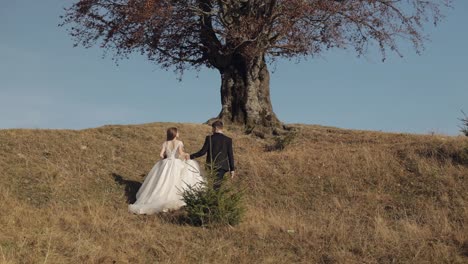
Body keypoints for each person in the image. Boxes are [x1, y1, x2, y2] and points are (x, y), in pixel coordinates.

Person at [128, 127, 203, 214]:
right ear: (175, 133)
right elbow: (181, 153)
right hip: (176, 163)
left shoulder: (165, 143)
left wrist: (166, 158)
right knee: (175, 180)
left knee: (163, 180)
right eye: (178, 132)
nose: (179, 133)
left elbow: (161, 154)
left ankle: (157, 197)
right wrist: (187, 155)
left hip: (166, 163)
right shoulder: (179, 142)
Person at [189, 120, 235, 189]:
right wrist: (232, 169)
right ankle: (215, 199)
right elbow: (230, 155)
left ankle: (211, 199)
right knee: (217, 187)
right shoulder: (228, 140)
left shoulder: (209, 138)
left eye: (212, 128)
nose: (212, 130)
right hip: (222, 167)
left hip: (210, 166)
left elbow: (202, 152)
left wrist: (190, 156)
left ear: (215, 128)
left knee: (210, 186)